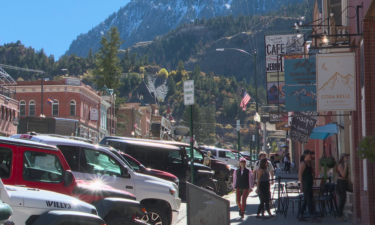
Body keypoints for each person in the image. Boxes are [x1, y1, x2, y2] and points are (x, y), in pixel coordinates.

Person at [298, 150, 321, 223]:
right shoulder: (303, 164)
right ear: (306, 155)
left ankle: (300, 215)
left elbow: (311, 172)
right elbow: (300, 174)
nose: (310, 155)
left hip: (309, 183)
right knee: (309, 200)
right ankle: (312, 216)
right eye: (309, 154)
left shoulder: (309, 162)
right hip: (306, 184)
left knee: (306, 200)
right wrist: (301, 184)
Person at [336, 153, 353, 222]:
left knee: (355, 191)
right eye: (345, 156)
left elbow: (346, 176)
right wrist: (345, 166)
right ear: (342, 158)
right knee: (342, 199)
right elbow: (343, 174)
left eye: (347, 156)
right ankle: (340, 215)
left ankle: (353, 208)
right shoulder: (340, 165)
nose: (347, 158)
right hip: (341, 183)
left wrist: (351, 182)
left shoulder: (346, 165)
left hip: (345, 182)